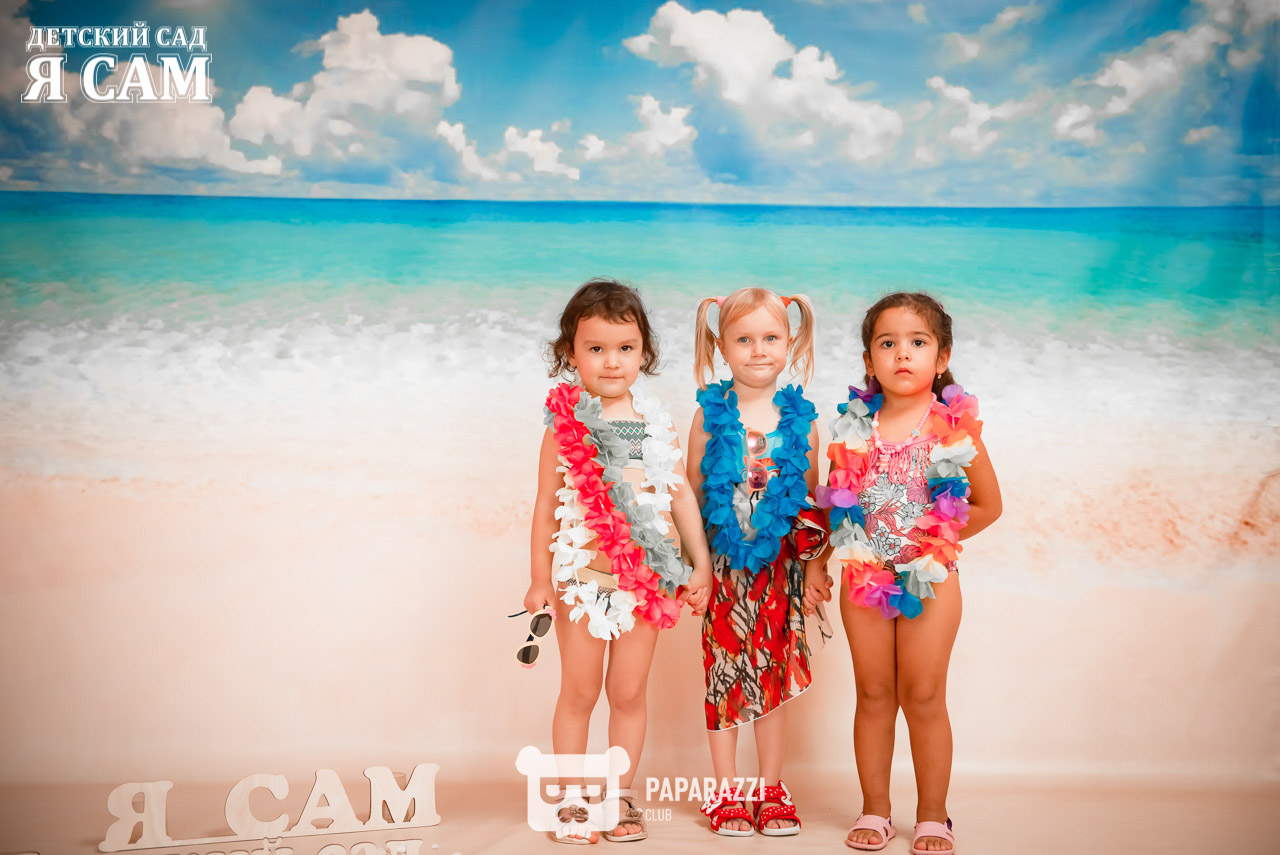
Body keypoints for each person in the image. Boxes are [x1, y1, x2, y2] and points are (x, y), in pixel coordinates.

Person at [806, 292, 1002, 855]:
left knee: (923, 694)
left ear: (942, 358)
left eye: (917, 342)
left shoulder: (952, 430)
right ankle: (875, 808)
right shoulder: (852, 430)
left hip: (930, 581)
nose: (902, 354)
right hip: (863, 577)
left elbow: (989, 506)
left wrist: (935, 542)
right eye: (887, 343)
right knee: (873, 693)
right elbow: (836, 507)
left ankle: (934, 815)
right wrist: (819, 565)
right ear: (869, 359)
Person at [525, 277, 713, 844]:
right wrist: (539, 579)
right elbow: (545, 504)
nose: (612, 362)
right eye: (596, 348)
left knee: (628, 693)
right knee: (580, 692)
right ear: (571, 353)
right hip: (583, 581)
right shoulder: (566, 427)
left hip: (645, 583)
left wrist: (699, 564)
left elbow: (679, 494)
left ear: (643, 352)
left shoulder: (655, 423)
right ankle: (572, 798)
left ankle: (619, 794)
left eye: (626, 348)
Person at [685, 287, 828, 838]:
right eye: (743, 340)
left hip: (781, 572)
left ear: (790, 344)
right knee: (724, 675)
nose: (758, 350)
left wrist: (814, 569)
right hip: (724, 569)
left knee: (774, 679)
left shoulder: (801, 421)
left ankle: (770, 788)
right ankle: (725, 790)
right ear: (722, 347)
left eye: (770, 338)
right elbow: (691, 498)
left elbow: (813, 508)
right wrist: (696, 567)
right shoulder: (709, 417)